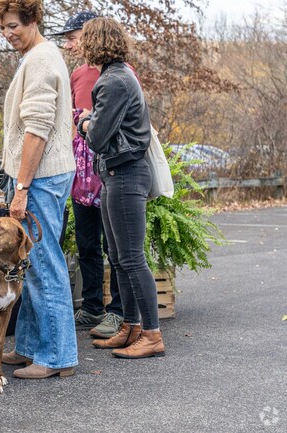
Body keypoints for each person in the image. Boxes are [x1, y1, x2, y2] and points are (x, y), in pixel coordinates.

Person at [0, 0, 78, 378]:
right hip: (45, 175)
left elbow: (37, 128)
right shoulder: (40, 56)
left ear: (33, 19)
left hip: (40, 177)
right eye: (2, 28)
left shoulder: (42, 59)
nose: (8, 33)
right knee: (32, 264)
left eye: (13, 26)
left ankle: (56, 358)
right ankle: (30, 347)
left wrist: (22, 186)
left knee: (44, 264)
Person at [77, 17, 165, 358]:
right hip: (118, 172)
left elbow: (98, 137)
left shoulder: (112, 81)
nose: (80, 47)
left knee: (131, 257)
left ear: (95, 43)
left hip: (126, 172)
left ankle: (153, 335)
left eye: (84, 41)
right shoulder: (117, 75)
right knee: (118, 256)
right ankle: (130, 326)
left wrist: (84, 121)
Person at [51, 11, 124, 338]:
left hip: (110, 168)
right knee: (86, 243)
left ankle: (120, 311)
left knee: (116, 246)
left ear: (91, 33)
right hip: (80, 172)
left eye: (72, 36)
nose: (68, 44)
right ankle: (93, 306)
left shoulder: (118, 74)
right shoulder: (77, 74)